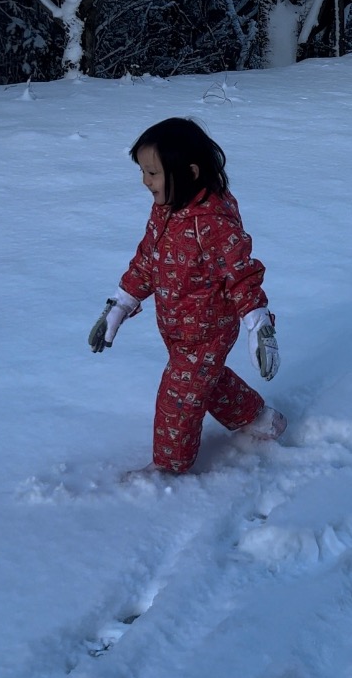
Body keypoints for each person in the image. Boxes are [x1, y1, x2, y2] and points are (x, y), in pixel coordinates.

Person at [88, 117, 285, 474]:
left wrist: (259, 325)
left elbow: (241, 276)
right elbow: (148, 260)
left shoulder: (213, 223)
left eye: (153, 173)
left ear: (190, 172)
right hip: (177, 328)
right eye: (144, 172)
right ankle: (259, 418)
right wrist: (119, 305)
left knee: (178, 399)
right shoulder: (166, 210)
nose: (145, 181)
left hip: (208, 332)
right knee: (207, 383)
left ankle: (168, 468)